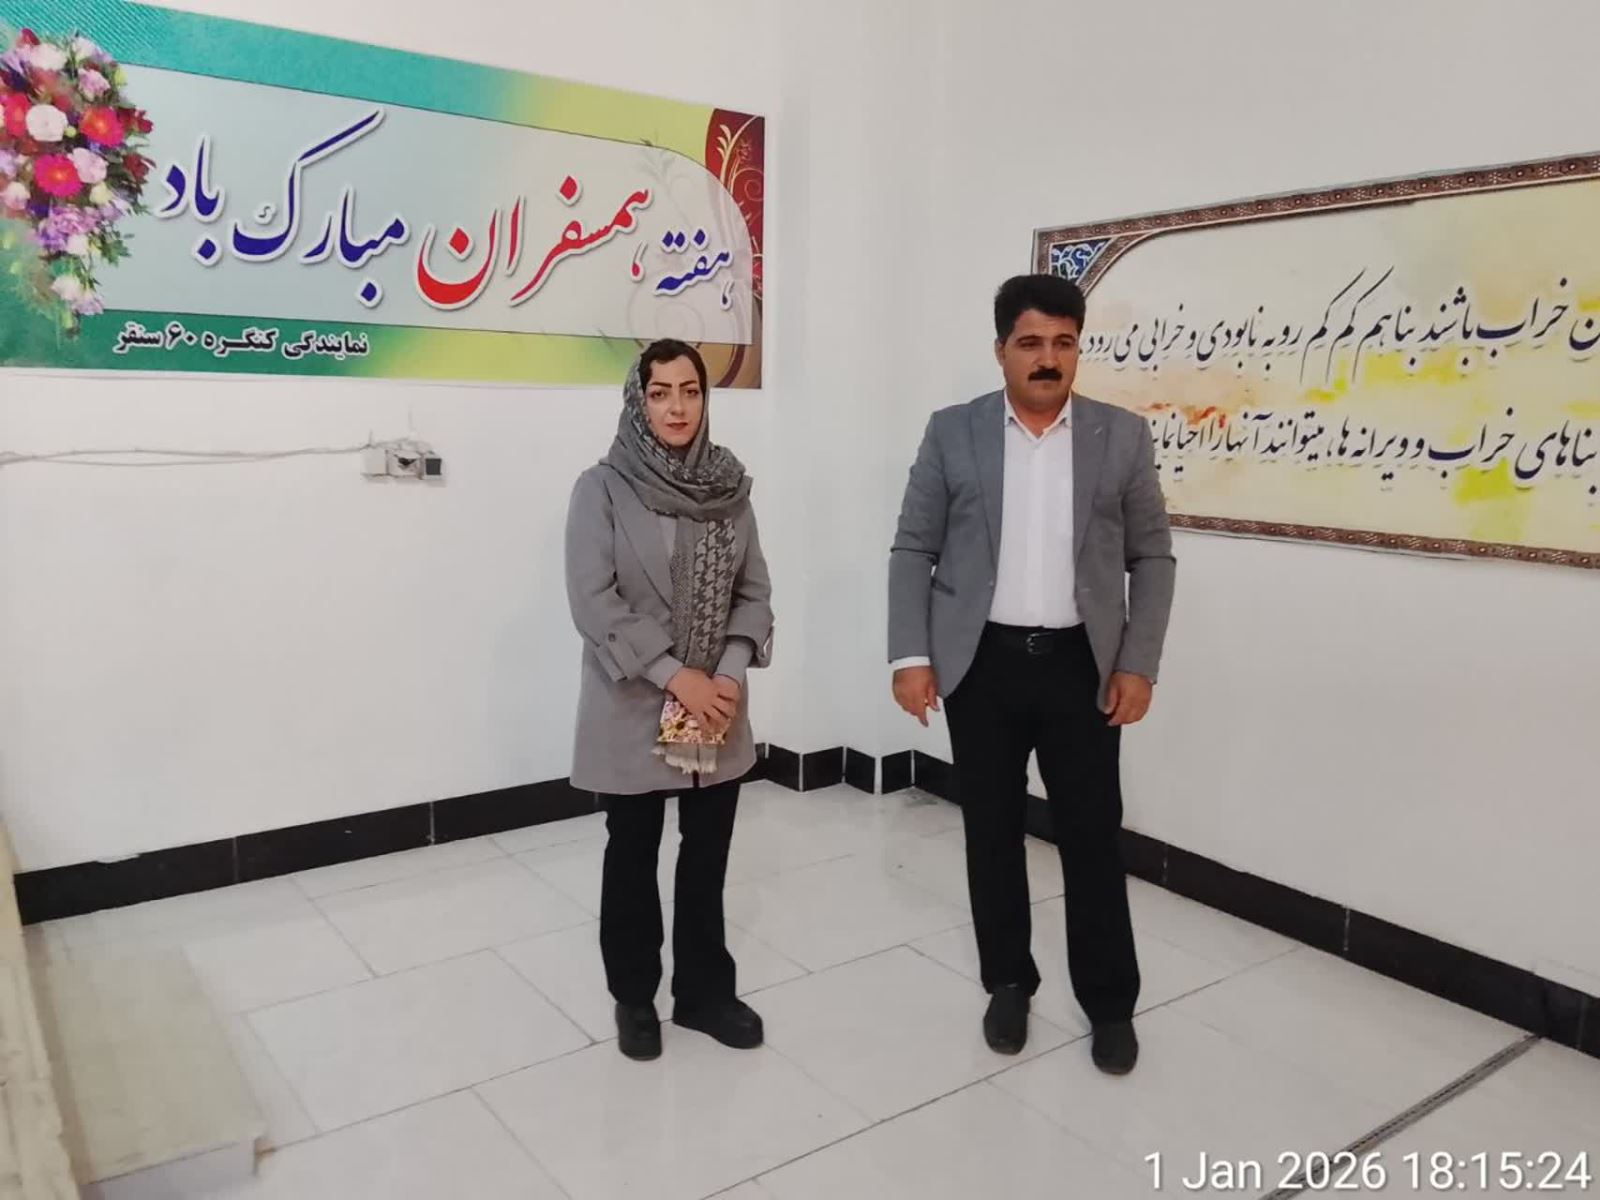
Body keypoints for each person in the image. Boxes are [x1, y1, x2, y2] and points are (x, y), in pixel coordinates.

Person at [887, 274, 1175, 1073]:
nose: (1048, 359)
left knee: (1091, 835)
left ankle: (1109, 1003)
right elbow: (913, 547)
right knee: (991, 832)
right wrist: (912, 656)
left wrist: (1139, 662)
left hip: (1084, 668)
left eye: (1063, 343)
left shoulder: (1121, 436)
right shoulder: (954, 432)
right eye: (1031, 343)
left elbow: (1152, 556)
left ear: (1077, 347)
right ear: (1001, 350)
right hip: (981, 665)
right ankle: (1008, 981)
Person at [565, 339, 774, 1061]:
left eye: (690, 391)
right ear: (639, 401)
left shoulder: (729, 487)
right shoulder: (602, 489)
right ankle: (634, 996)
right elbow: (594, 600)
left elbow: (754, 591)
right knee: (633, 851)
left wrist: (729, 671)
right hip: (635, 700)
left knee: (707, 851)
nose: (677, 407)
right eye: (661, 393)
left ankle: (703, 993)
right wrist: (674, 673)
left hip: (715, 704)